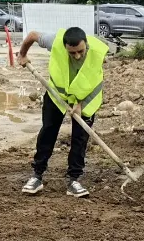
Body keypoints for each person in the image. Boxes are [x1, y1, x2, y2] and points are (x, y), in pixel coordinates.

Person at [16, 26, 108, 198]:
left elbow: (92, 79)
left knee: (80, 136)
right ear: (65, 46)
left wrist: (79, 104)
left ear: (86, 44)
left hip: (85, 97)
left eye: (80, 51)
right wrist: (22, 54)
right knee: (48, 131)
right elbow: (33, 35)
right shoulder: (54, 41)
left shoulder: (97, 52)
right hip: (57, 95)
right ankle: (37, 175)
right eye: (72, 53)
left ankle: (74, 180)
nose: (77, 56)